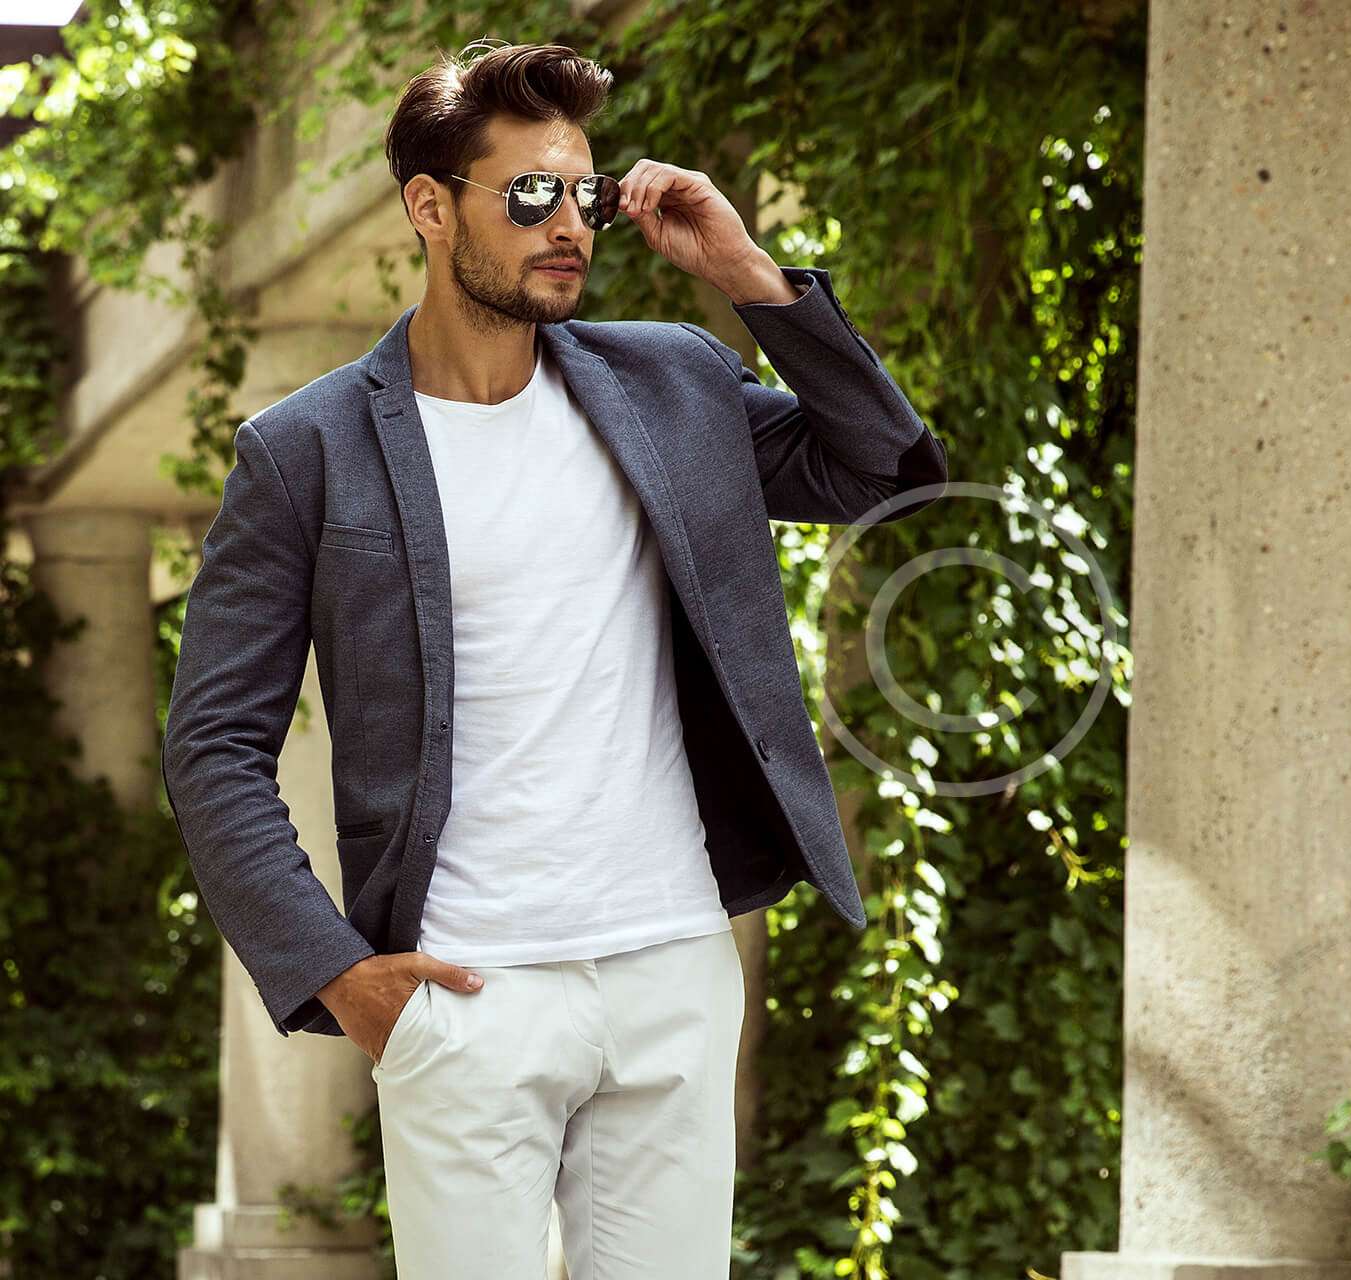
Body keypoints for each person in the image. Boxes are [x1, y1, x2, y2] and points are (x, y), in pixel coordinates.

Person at [160, 38, 948, 1277]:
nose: (568, 223)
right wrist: (341, 975)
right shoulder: (306, 450)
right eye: (530, 194)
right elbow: (212, 745)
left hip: (670, 965)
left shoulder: (669, 381)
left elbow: (884, 468)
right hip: (466, 992)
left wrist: (746, 274)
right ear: (430, 207)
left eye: (584, 193)